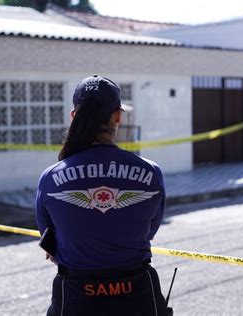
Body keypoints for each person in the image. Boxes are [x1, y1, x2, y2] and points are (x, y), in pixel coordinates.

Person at [35, 75, 168, 316]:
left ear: (73, 116)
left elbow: (51, 245)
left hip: (77, 299)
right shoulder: (151, 173)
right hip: (139, 298)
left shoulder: (51, 178)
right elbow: (148, 232)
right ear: (118, 115)